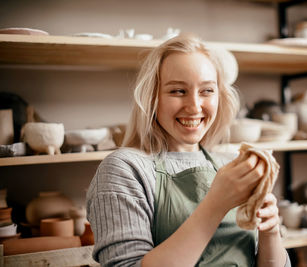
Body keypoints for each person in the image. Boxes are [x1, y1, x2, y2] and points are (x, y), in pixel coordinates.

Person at [86, 34, 291, 267]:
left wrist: (271, 231)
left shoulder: (231, 164)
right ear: (153, 97)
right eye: (178, 91)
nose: (194, 106)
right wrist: (216, 204)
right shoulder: (125, 169)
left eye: (207, 91)